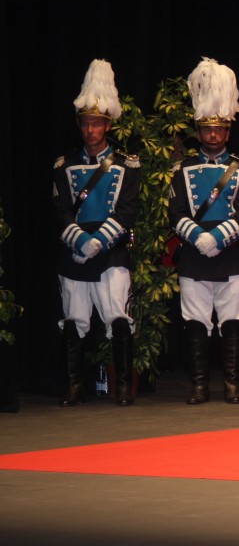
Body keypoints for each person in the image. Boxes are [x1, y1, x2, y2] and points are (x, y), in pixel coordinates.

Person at [169, 58, 239, 405]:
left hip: (232, 255)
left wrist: (217, 239)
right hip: (193, 255)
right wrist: (197, 237)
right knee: (195, 324)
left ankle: (232, 385)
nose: (213, 135)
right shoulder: (183, 168)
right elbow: (175, 213)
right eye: (207, 129)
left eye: (219, 129)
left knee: (233, 323)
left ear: (228, 132)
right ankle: (199, 385)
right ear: (199, 131)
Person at [54, 59, 140, 407]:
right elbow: (60, 211)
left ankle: (121, 386)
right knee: (74, 321)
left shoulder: (125, 163)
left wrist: (99, 241)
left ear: (107, 125)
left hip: (111, 250)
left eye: (97, 124)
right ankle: (75, 385)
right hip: (74, 251)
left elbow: (128, 209)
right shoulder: (64, 164)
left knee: (118, 318)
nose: (91, 130)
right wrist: (79, 241)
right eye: (86, 124)